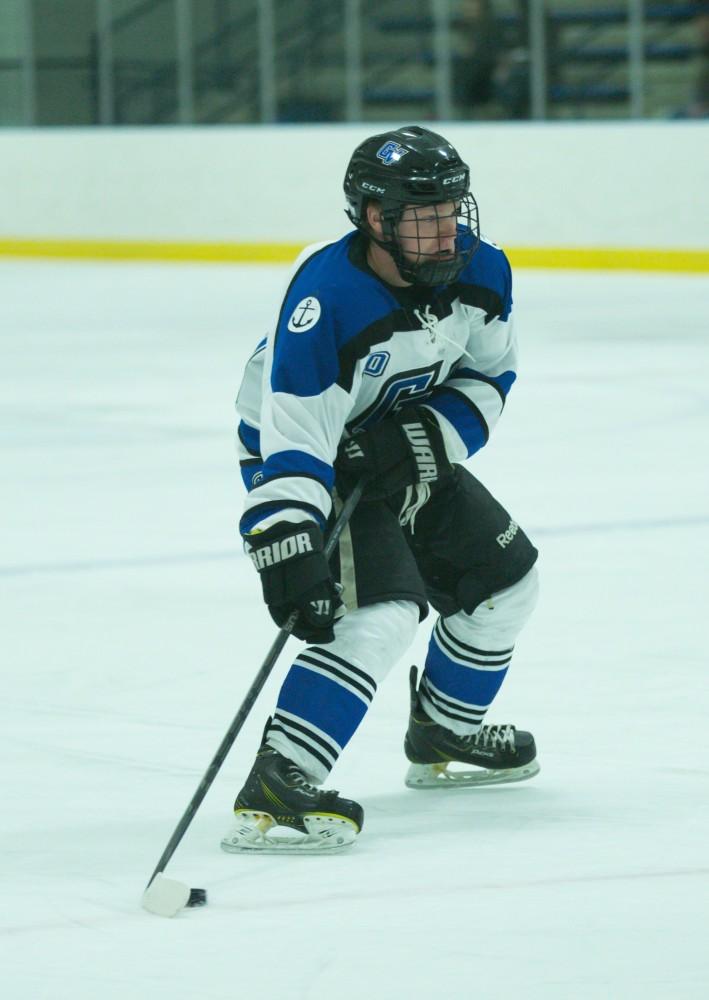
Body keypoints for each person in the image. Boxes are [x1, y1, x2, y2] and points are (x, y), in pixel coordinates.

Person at [221, 125, 540, 855]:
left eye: (452, 210)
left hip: (404, 444)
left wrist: (420, 439)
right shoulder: (326, 298)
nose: (444, 231)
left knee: (506, 584)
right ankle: (280, 780)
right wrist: (286, 542)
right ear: (372, 218)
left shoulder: (482, 271)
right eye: (421, 217)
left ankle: (444, 729)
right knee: (381, 612)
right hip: (311, 460)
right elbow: (292, 435)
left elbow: (490, 376)